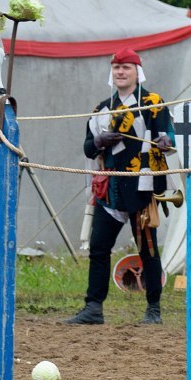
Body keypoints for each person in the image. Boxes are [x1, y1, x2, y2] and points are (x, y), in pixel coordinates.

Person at [66, 48, 175, 325]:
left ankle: (153, 309)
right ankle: (93, 308)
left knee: (147, 250)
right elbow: (88, 148)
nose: (120, 72)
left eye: (126, 67)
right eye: (116, 67)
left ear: (137, 72)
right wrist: (101, 141)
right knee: (99, 248)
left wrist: (165, 142)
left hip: (143, 187)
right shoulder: (101, 109)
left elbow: (169, 136)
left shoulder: (153, 103)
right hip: (110, 189)